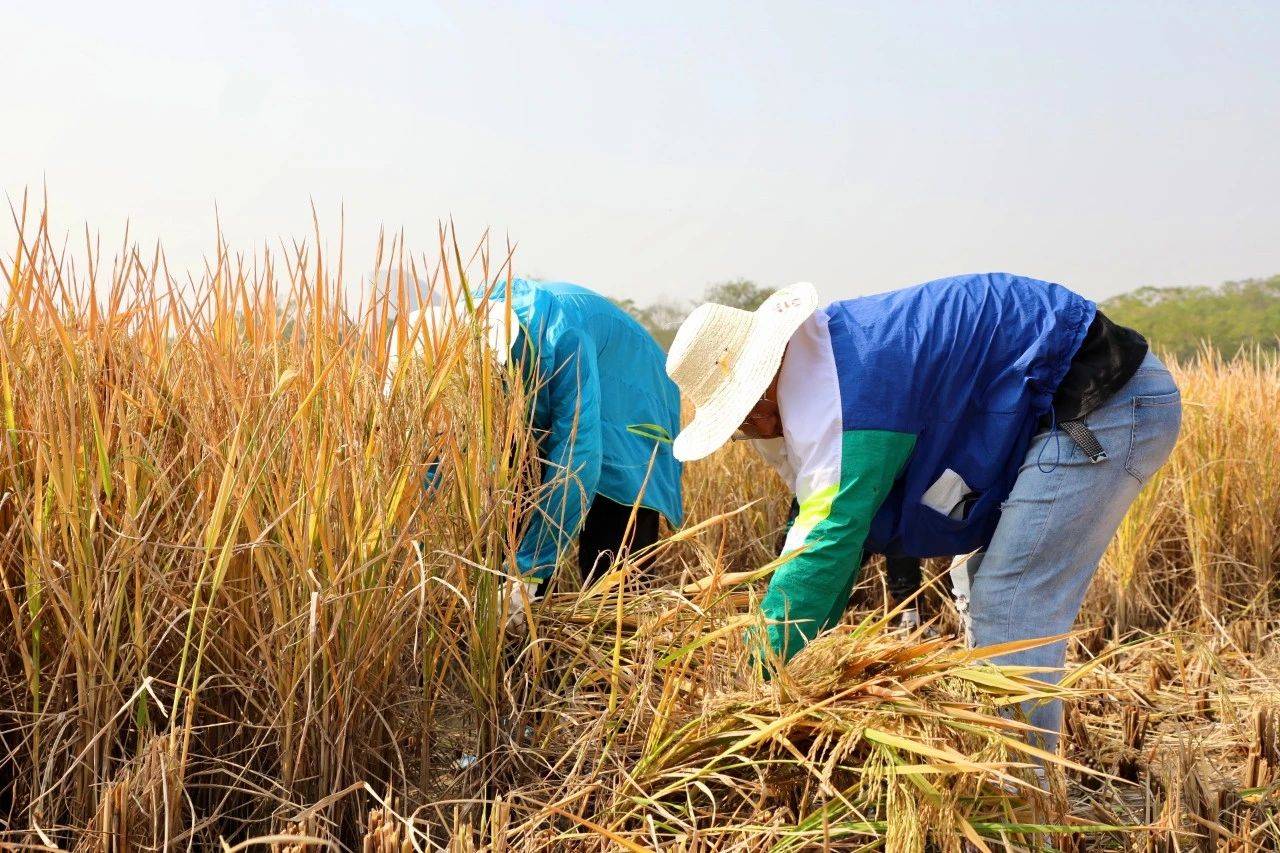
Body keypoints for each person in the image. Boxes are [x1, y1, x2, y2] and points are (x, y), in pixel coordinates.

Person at [666, 273, 1180, 752]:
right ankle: (1003, 763)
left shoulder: (840, 403)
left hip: (1103, 402)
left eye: (739, 426)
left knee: (1010, 599)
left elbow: (824, 545)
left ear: (755, 403)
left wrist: (759, 689)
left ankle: (1024, 805)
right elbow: (838, 544)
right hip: (1050, 406)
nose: (749, 436)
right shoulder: (830, 356)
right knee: (980, 584)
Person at [393, 279, 684, 621]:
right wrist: (425, 547)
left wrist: (528, 572)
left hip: (630, 392)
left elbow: (576, 456)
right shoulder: (460, 358)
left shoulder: (561, 336)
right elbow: (437, 456)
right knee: (518, 507)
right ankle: (529, 632)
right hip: (550, 385)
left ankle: (623, 647)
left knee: (613, 545)